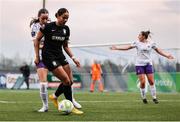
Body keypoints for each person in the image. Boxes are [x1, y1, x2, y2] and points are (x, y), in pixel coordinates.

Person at [34, 8, 83, 114]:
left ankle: (55, 96)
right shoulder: (48, 27)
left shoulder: (66, 29)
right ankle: (71, 105)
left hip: (60, 55)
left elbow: (65, 46)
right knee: (66, 80)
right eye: (63, 17)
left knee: (70, 82)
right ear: (58, 16)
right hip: (48, 56)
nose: (65, 20)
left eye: (67, 18)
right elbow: (37, 39)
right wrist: (37, 56)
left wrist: (74, 58)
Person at [110, 30, 174, 104]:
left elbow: (158, 50)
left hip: (148, 64)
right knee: (143, 82)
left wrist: (167, 55)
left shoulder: (151, 43)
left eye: (140, 35)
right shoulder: (137, 43)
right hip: (139, 65)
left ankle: (154, 98)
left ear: (144, 37)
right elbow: (127, 47)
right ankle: (143, 97)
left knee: (151, 82)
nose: (138, 36)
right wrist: (117, 48)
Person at [30, 8, 49, 112]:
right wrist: (37, 56)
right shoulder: (34, 27)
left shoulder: (51, 25)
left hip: (53, 56)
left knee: (67, 80)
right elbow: (36, 43)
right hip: (41, 57)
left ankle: (71, 100)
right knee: (43, 82)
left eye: (47, 18)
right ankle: (45, 106)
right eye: (43, 19)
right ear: (39, 17)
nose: (45, 21)